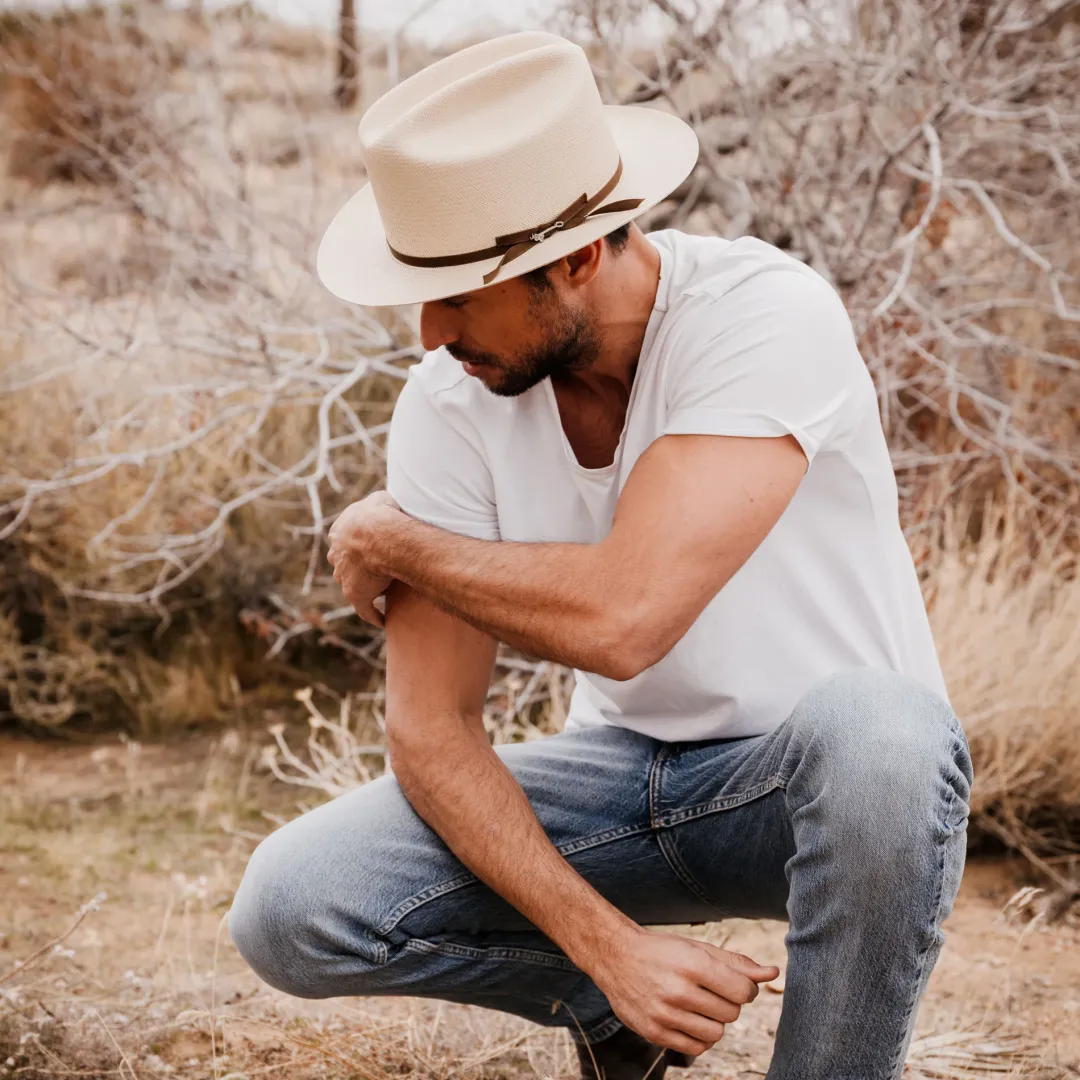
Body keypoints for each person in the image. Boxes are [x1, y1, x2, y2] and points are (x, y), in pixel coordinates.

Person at [228, 31, 973, 1080]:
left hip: (825, 790)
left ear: (578, 256)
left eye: (460, 292)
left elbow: (627, 619)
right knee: (292, 906)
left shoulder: (763, 315)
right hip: (620, 785)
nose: (430, 331)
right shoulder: (450, 399)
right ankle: (615, 1019)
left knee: (886, 732)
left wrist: (392, 538)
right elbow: (430, 728)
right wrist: (607, 951)